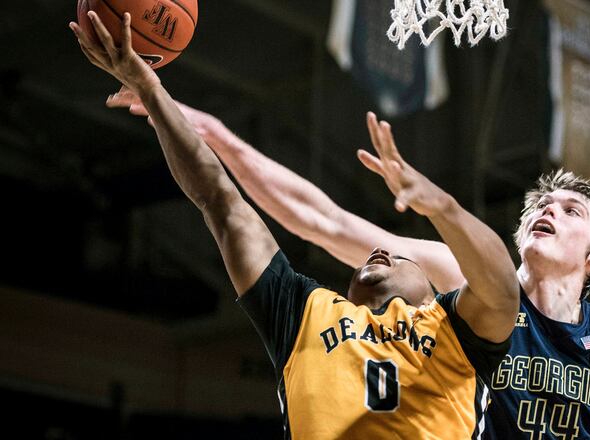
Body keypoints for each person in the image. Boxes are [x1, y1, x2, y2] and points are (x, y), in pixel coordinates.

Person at [103, 28, 590, 440]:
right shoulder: (458, 283)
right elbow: (325, 221)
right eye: (540, 205)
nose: (547, 211)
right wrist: (220, 139)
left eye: (571, 210)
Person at [70, 11, 520, 439]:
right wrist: (150, 88)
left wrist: (442, 207)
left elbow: (502, 289)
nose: (379, 251)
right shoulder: (303, 312)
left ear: (434, 290)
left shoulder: (455, 327)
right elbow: (221, 202)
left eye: (400, 256)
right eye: (379, 252)